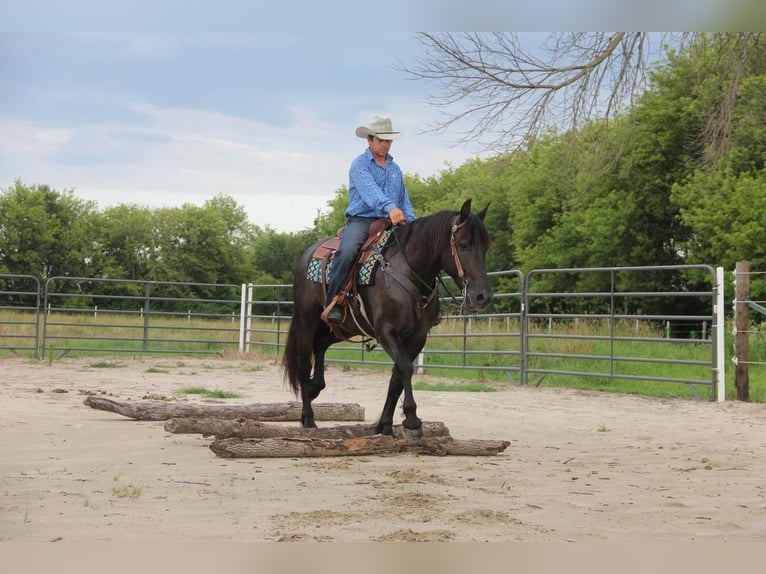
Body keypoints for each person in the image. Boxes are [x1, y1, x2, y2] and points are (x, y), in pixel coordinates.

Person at [323, 116, 417, 323]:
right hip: (363, 221)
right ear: (370, 140)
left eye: (388, 141)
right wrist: (390, 207)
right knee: (348, 251)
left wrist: (413, 224)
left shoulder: (395, 169)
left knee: (417, 251)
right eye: (381, 140)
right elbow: (370, 192)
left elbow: (404, 199)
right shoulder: (360, 165)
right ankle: (335, 300)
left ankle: (422, 302)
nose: (385, 145)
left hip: (392, 222)